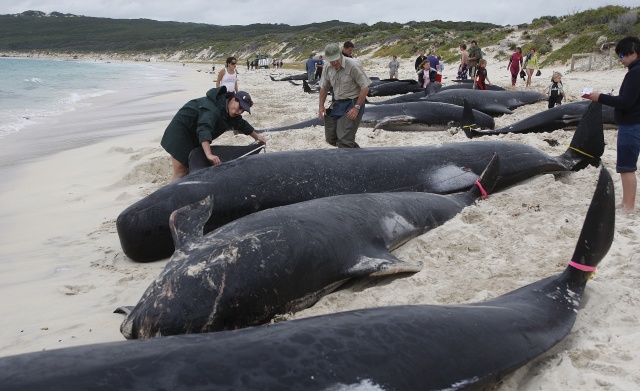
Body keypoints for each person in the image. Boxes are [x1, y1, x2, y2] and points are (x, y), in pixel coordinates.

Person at [160, 88, 266, 180]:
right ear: (233, 99)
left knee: (191, 166)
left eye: (243, 110)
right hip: (180, 130)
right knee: (181, 170)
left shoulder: (229, 110)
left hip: (194, 134)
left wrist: (257, 137)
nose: (239, 112)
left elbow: (241, 124)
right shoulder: (213, 109)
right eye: (239, 107)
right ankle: (168, 199)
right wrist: (209, 154)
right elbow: (204, 128)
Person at [584, 36, 640, 213]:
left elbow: (626, 102)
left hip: (632, 125)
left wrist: (599, 97)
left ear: (634, 53)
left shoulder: (635, 73)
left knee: (626, 167)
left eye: (622, 55)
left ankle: (628, 206)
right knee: (627, 166)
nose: (620, 59)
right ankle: (626, 203)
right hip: (635, 123)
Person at [318, 42, 370, 148]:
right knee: (331, 137)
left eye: (337, 60)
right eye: (332, 61)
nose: (335, 63)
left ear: (341, 55)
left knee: (345, 140)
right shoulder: (328, 67)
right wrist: (321, 106)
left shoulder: (352, 65)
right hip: (337, 103)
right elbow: (324, 87)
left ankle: (351, 159)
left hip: (353, 103)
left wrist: (357, 107)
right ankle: (358, 153)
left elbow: (365, 87)